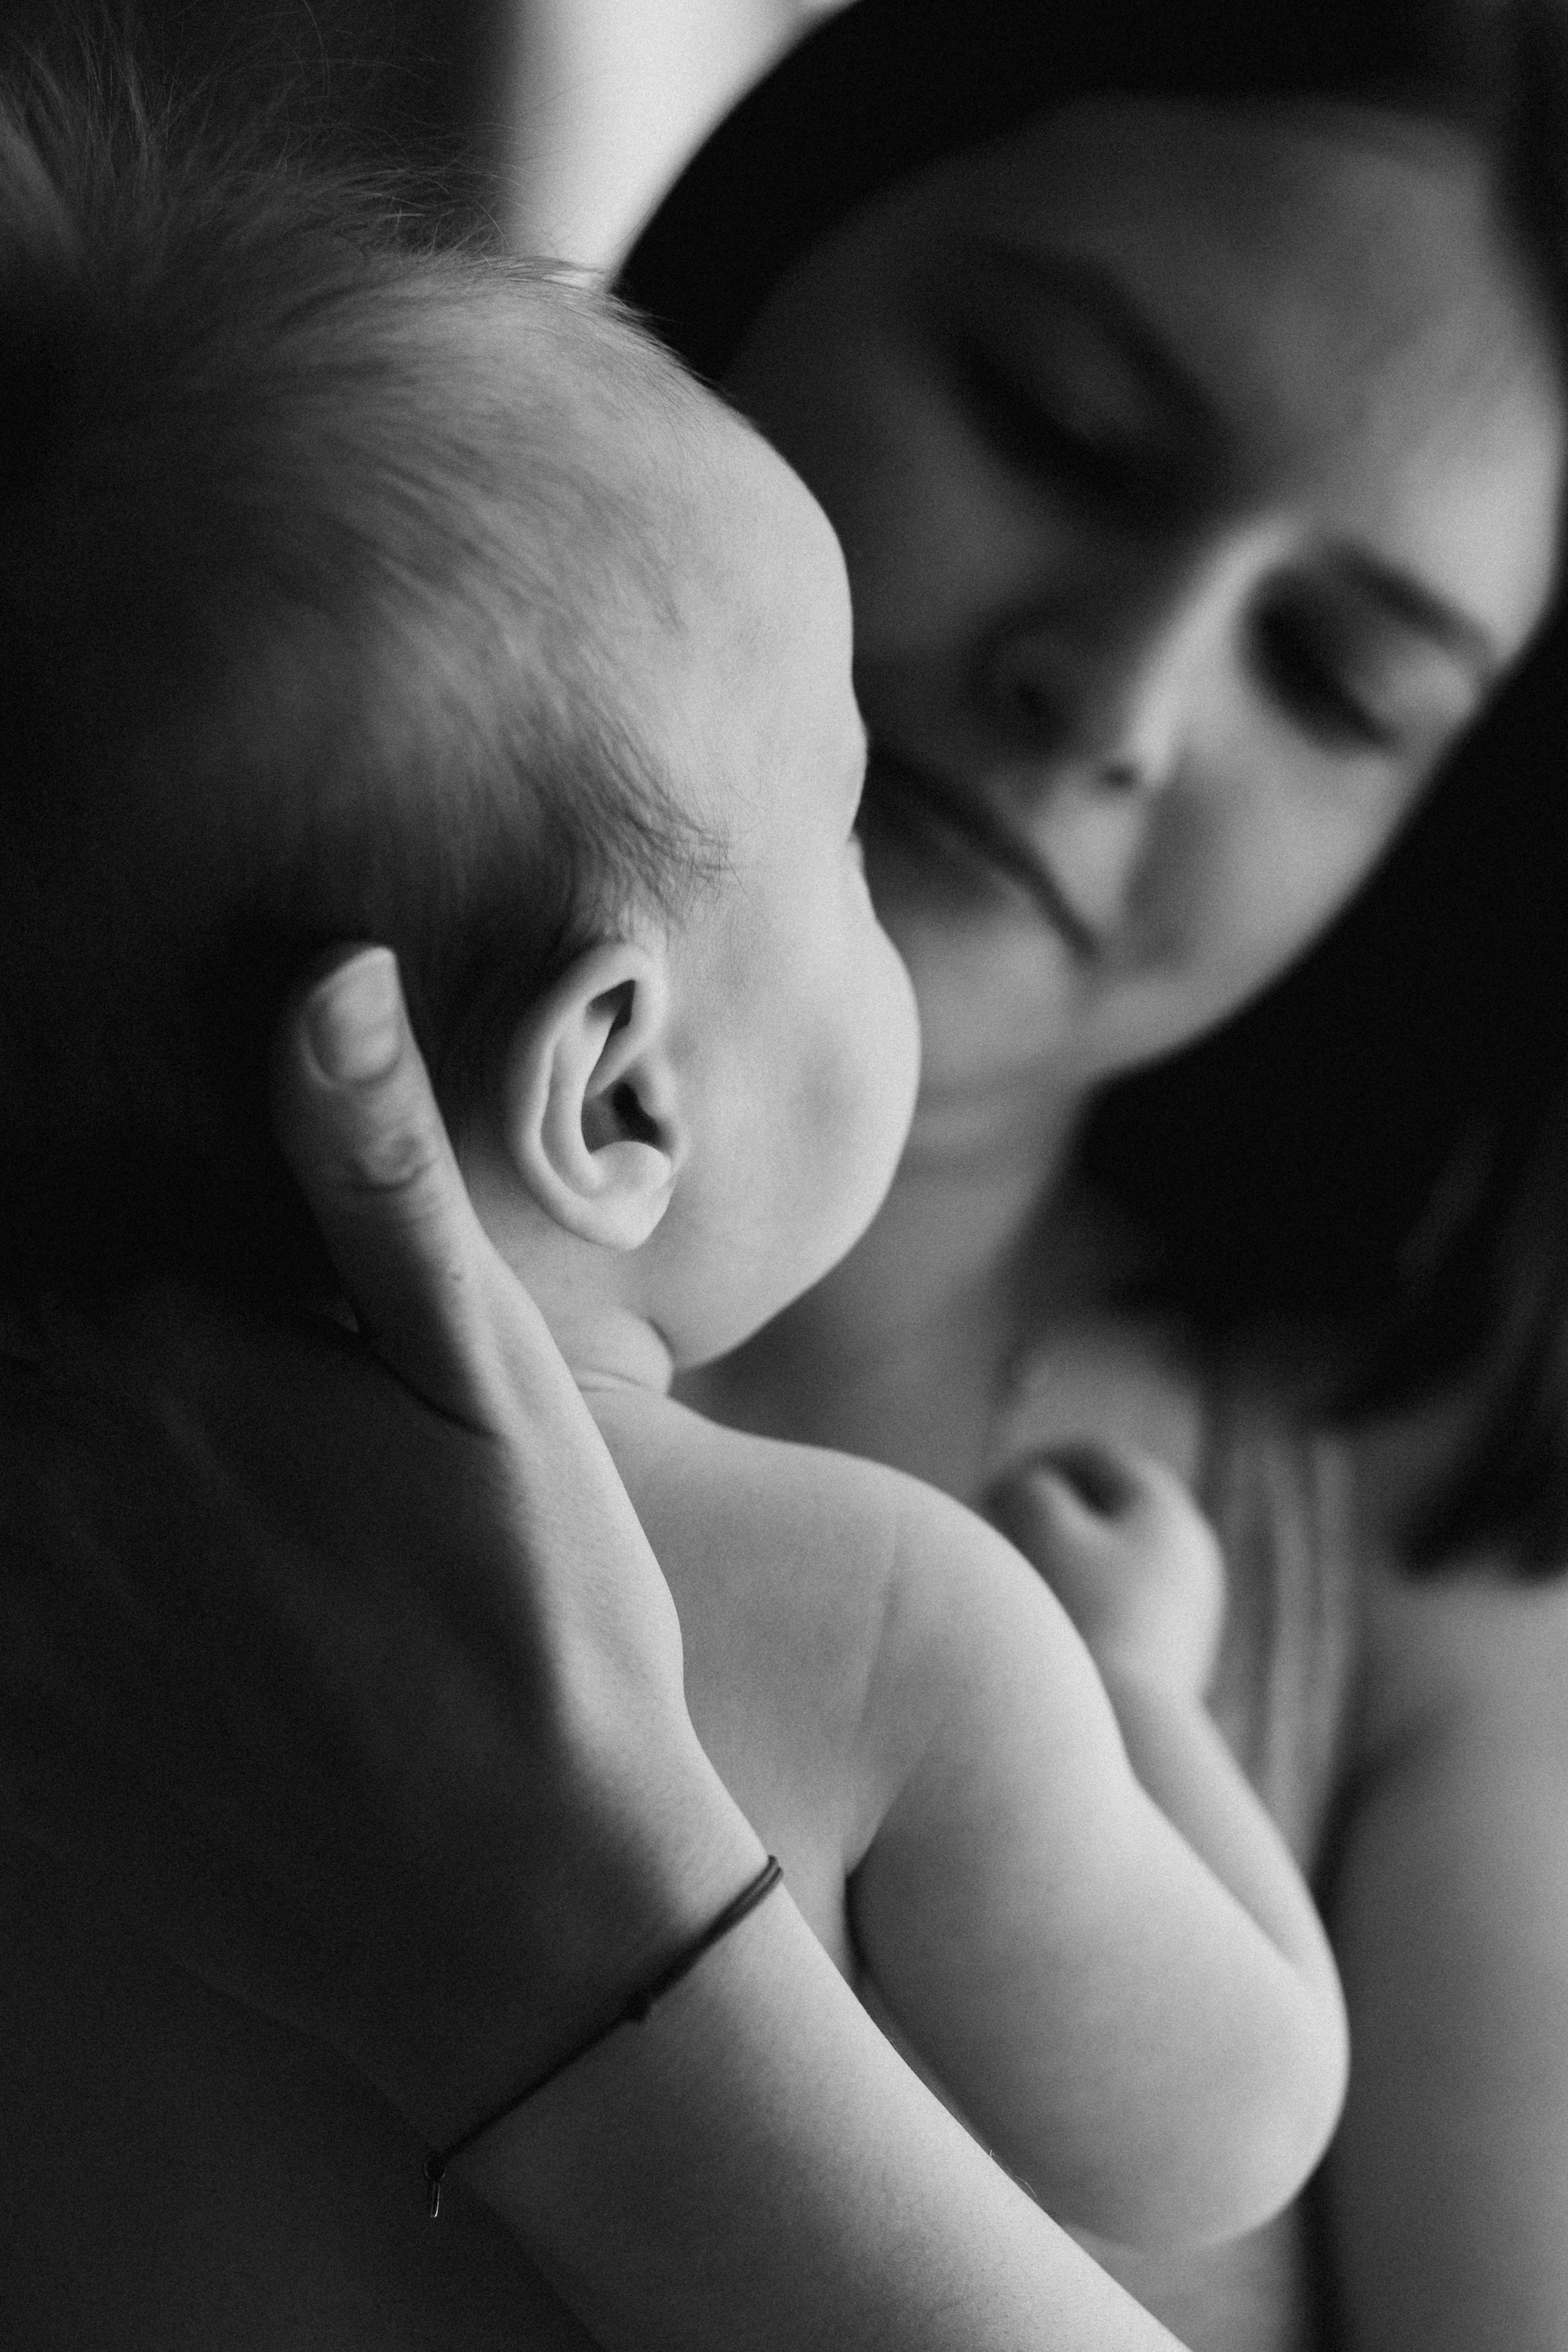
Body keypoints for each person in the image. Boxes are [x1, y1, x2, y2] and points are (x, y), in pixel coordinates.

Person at [6, 0, 1568, 2345]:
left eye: (1344, 679)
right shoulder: (901, 1621)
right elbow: (1237, 2114)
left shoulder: (64, 1522)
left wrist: (593, 1975)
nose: (1116, 698)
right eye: (1057, 420)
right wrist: (1139, 1697)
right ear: (616, 1093)